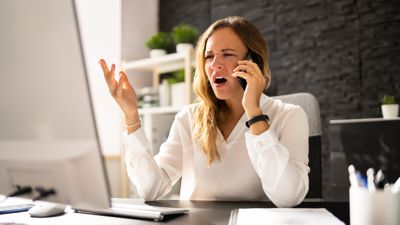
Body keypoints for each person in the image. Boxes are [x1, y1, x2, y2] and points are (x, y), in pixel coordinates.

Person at [99, 16, 309, 207]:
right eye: (209, 57)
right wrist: (132, 116)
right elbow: (151, 189)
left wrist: (254, 113)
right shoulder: (188, 118)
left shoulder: (289, 116)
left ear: (253, 62)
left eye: (227, 54)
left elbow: (288, 197)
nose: (215, 65)